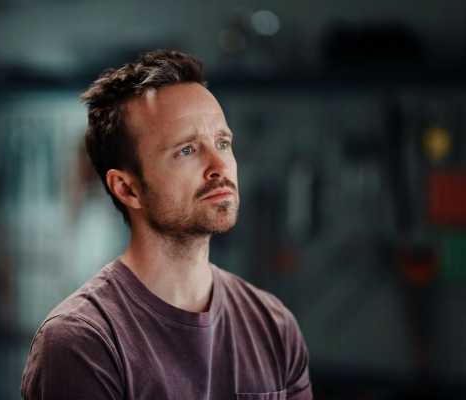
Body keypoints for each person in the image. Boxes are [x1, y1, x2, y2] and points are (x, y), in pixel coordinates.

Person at [21, 49, 312, 400]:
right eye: (186, 150)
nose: (219, 165)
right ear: (127, 188)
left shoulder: (274, 326)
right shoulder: (82, 343)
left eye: (222, 142)